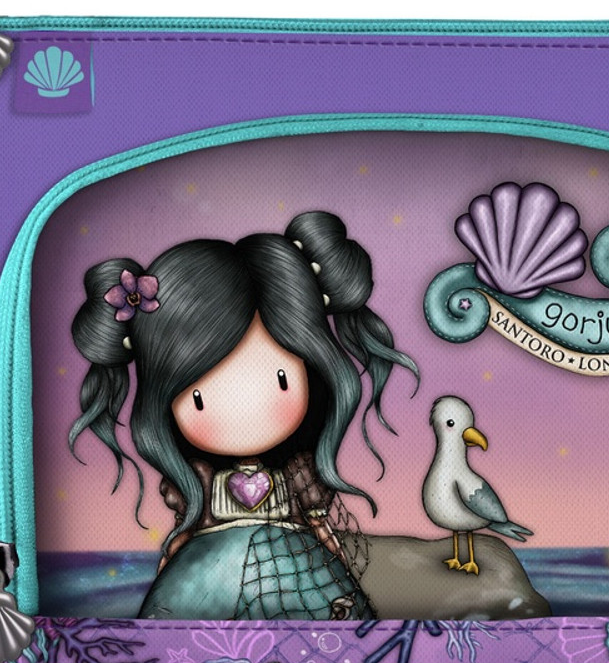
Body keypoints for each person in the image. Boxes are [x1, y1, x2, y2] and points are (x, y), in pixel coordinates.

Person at [69, 210, 417, 620]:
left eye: (281, 379)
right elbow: (189, 524)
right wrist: (176, 547)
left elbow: (316, 517)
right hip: (207, 571)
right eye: (199, 397)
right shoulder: (198, 480)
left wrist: (328, 541)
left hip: (293, 564)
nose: (244, 409)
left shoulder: (298, 473)